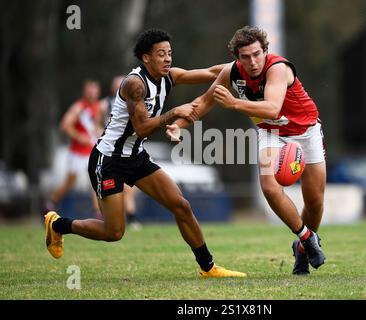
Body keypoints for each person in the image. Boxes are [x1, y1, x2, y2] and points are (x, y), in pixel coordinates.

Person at [44, 28, 246, 278]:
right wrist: (174, 113)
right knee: (114, 232)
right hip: (109, 161)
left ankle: (208, 267)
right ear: (146, 58)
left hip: (136, 157)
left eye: (169, 53)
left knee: (180, 205)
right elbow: (141, 127)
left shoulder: (170, 76)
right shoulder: (134, 85)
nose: (168, 59)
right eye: (161, 54)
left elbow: (213, 72)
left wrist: (243, 61)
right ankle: (58, 224)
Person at [167, 26, 326, 275]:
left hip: (306, 132)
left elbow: (273, 108)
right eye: (245, 57)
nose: (252, 62)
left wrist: (233, 103)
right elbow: (204, 102)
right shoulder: (232, 72)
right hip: (270, 132)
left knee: (315, 202)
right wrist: (178, 125)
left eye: (256, 54)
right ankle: (306, 237)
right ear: (237, 58)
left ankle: (302, 249)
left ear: (265, 51)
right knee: (269, 186)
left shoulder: (278, 68)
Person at [45, 80, 103, 216]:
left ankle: (98, 213)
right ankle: (50, 203)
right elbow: (64, 125)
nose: (92, 94)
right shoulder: (79, 107)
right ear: (85, 92)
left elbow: (95, 126)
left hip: (91, 150)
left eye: (94, 91)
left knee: (95, 180)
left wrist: (99, 132)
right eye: (89, 91)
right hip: (77, 152)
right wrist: (79, 136)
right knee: (70, 183)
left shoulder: (98, 106)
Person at [100, 75, 141, 230]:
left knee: (130, 187)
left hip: (128, 149)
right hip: (110, 150)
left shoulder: (136, 102)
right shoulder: (105, 104)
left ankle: (129, 216)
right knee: (112, 189)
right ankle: (116, 217)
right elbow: (98, 123)